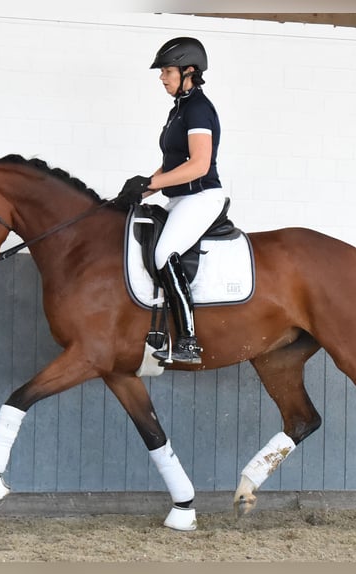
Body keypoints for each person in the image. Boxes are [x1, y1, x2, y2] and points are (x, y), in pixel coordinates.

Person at [117, 37, 225, 365]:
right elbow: (174, 164)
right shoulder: (179, 110)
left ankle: (189, 340)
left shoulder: (198, 109)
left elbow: (198, 165)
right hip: (181, 198)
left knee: (165, 252)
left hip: (202, 196)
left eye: (166, 71)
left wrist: (152, 183)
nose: (162, 77)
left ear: (188, 71)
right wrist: (141, 190)